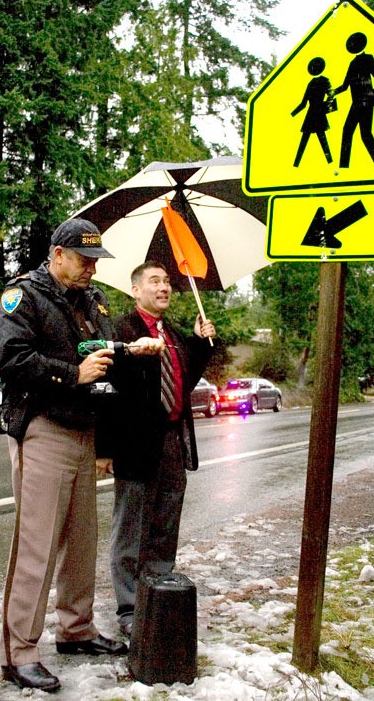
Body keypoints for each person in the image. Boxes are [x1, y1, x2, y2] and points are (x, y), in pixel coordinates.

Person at [0, 219, 161, 693]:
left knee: (81, 540)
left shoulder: (91, 300)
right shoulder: (23, 297)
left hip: (85, 428)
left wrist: (131, 350)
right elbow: (10, 360)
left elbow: (99, 348)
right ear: (57, 255)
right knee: (37, 545)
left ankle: (76, 628)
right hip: (43, 426)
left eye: (95, 261)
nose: (91, 269)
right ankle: (18, 652)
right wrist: (73, 374)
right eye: (84, 261)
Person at [102, 261, 217, 637]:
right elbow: (107, 391)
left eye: (167, 281)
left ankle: (157, 593)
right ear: (136, 290)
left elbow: (183, 381)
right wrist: (103, 449)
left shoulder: (174, 334)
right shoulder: (122, 330)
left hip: (172, 441)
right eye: (155, 281)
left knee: (165, 523)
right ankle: (129, 607)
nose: (164, 287)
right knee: (132, 526)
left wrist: (200, 343)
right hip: (135, 443)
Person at [333, 31, 374, 168]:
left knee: (359, 133)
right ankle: (345, 167)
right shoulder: (352, 63)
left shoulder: (368, 58)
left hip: (365, 102)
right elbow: (345, 86)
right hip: (358, 103)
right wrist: (332, 92)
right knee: (355, 132)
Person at [291, 56, 334, 167]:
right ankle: (296, 164)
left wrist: (326, 107)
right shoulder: (311, 83)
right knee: (307, 139)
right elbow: (303, 103)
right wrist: (291, 115)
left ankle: (330, 162)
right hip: (313, 114)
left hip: (316, 113)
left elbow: (331, 95)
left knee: (322, 139)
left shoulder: (323, 81)